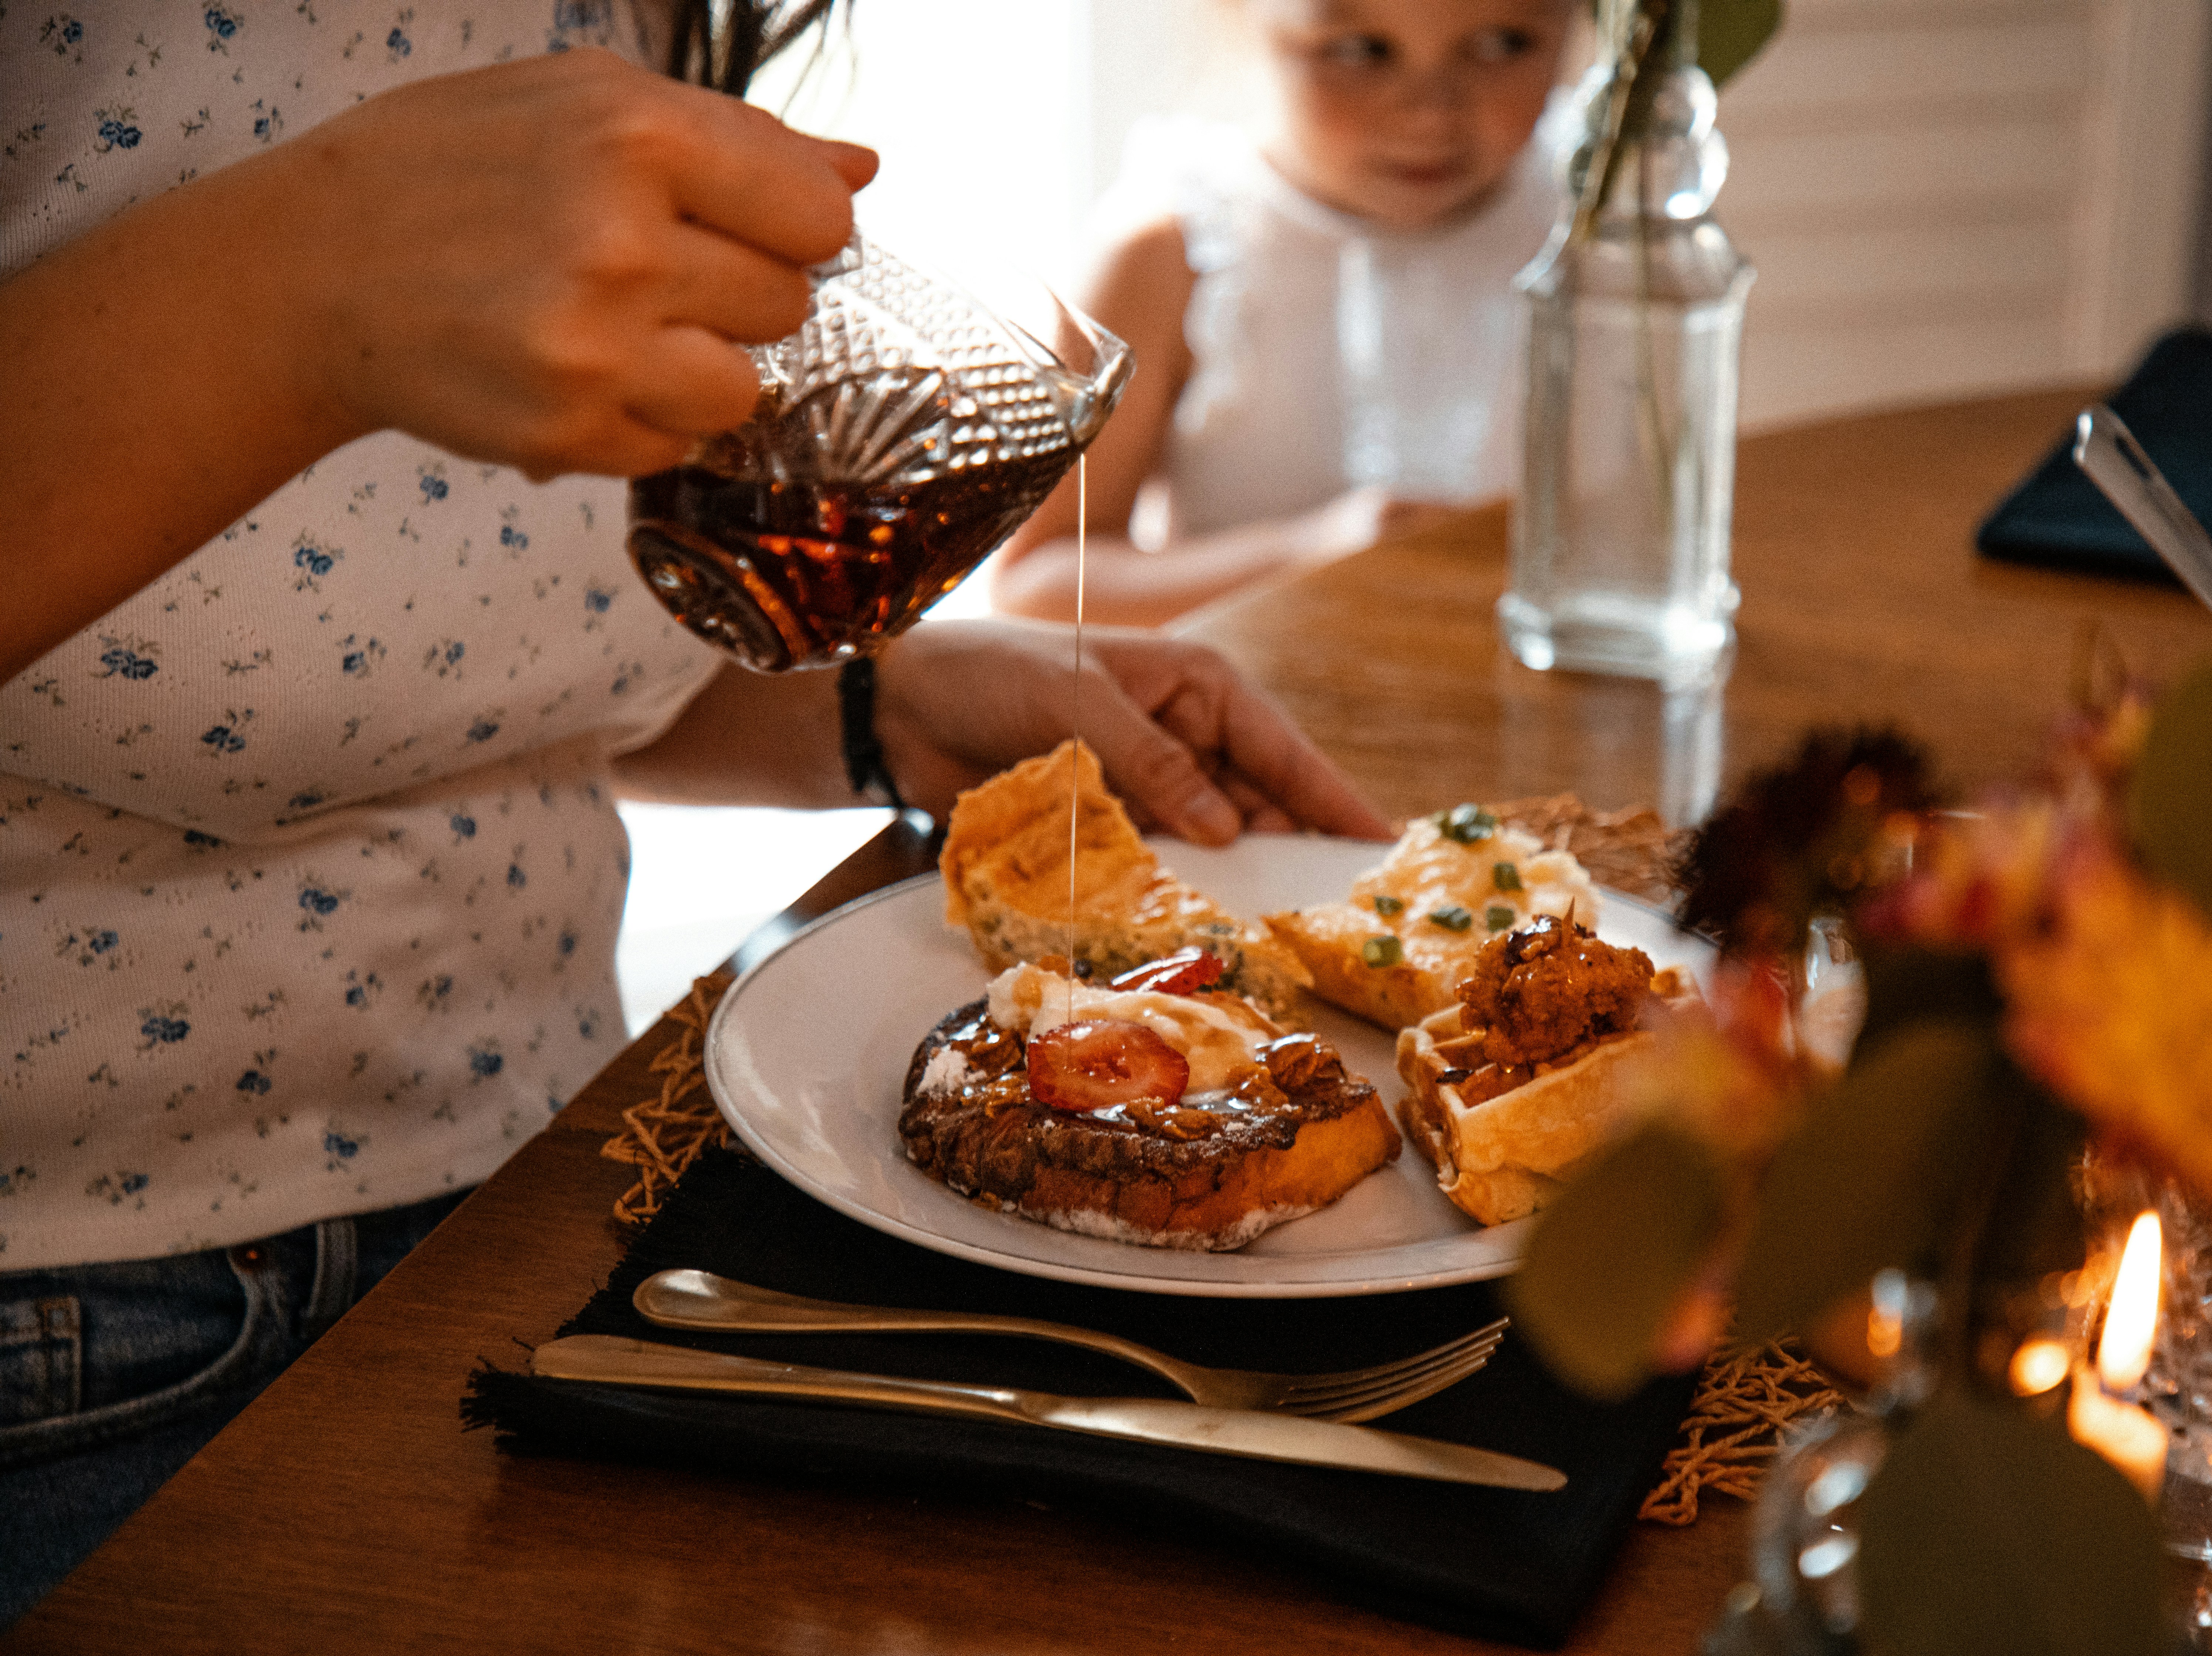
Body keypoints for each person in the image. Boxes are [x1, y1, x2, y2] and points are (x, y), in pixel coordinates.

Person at [0, 0, 1388, 1623]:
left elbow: (420, 623)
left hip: (553, 1198)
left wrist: (880, 699)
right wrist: (295, 282)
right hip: (81, 1323)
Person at [986, 0, 1576, 628]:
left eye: (1502, 44)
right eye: (1359, 51)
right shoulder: (1173, 254)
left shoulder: (1625, 234)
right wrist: (1304, 556)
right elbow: (1035, 586)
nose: (1432, 112)